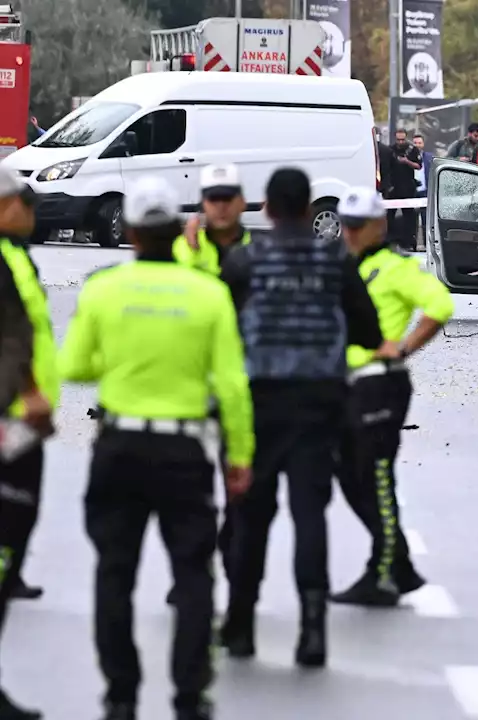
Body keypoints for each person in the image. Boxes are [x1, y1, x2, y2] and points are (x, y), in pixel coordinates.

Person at [59, 176, 254, 720]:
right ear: (178, 230)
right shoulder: (209, 294)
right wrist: (239, 458)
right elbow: (233, 386)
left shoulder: (103, 289)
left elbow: (75, 366)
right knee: (192, 574)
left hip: (119, 446)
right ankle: (190, 695)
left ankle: (120, 693)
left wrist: (121, 361)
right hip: (185, 454)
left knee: (113, 571)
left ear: (134, 234)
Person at [218, 168, 386, 668]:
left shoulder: (245, 260)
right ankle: (313, 630)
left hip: (258, 403)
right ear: (310, 208)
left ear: (266, 208)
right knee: (309, 514)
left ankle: (241, 624)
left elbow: (223, 333)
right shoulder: (334, 258)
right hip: (319, 403)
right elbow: (368, 330)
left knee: (252, 516)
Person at [329, 188, 454, 607]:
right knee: (349, 477)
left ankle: (383, 573)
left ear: (378, 226)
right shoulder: (340, 266)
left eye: (357, 226)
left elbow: (439, 305)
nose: (349, 234)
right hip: (345, 386)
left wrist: (402, 347)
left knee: (376, 476)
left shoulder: (395, 267)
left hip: (380, 382)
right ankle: (397, 562)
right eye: (345, 225)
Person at [164, 163, 252, 606]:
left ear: (240, 201)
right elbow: (182, 301)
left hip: (242, 386)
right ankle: (190, 577)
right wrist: (194, 252)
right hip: (193, 386)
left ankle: (234, 569)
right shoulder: (184, 250)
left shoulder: (257, 251)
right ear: (202, 203)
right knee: (191, 494)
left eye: (226, 197)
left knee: (240, 487)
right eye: (211, 197)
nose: (219, 205)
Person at [0, 168, 52, 720]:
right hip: (9, 416)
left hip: (18, 416)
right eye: (23, 203)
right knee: (13, 517)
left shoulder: (17, 254)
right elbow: (14, 335)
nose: (31, 213)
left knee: (19, 517)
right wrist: (32, 393)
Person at [173, 164, 252, 276]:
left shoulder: (258, 247)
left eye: (227, 198)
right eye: (213, 199)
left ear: (242, 203)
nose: (221, 207)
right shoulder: (182, 246)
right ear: (202, 205)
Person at [388, 129, 423, 251]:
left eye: (403, 139)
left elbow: (419, 166)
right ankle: (390, 241)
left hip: (407, 186)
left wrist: (407, 161)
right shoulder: (390, 149)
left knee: (409, 216)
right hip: (393, 187)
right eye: (398, 139)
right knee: (389, 215)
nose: (400, 142)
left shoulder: (412, 149)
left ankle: (409, 242)